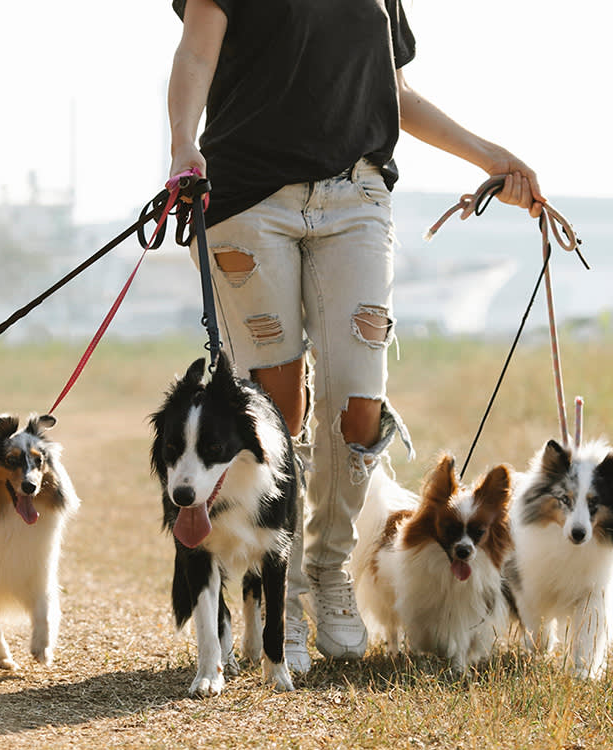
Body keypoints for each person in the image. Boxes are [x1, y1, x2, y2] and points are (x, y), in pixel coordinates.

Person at [165, 0, 545, 673]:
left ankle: (330, 564)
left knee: (358, 397)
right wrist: (182, 146)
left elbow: (393, 91)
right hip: (249, 199)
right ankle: (277, 579)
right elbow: (197, 52)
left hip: (357, 197)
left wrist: (491, 157)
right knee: (276, 406)